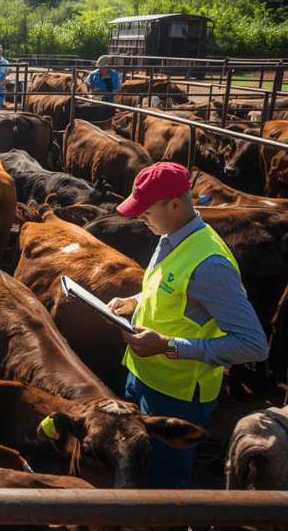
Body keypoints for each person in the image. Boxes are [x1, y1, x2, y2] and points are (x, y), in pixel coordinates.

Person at [106, 162, 269, 490]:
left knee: (165, 486)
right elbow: (167, 287)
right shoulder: (171, 234)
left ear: (175, 205)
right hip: (143, 377)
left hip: (177, 397)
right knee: (141, 468)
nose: (140, 218)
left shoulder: (210, 265)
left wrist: (168, 346)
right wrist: (135, 301)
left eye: (146, 211)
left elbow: (254, 345)